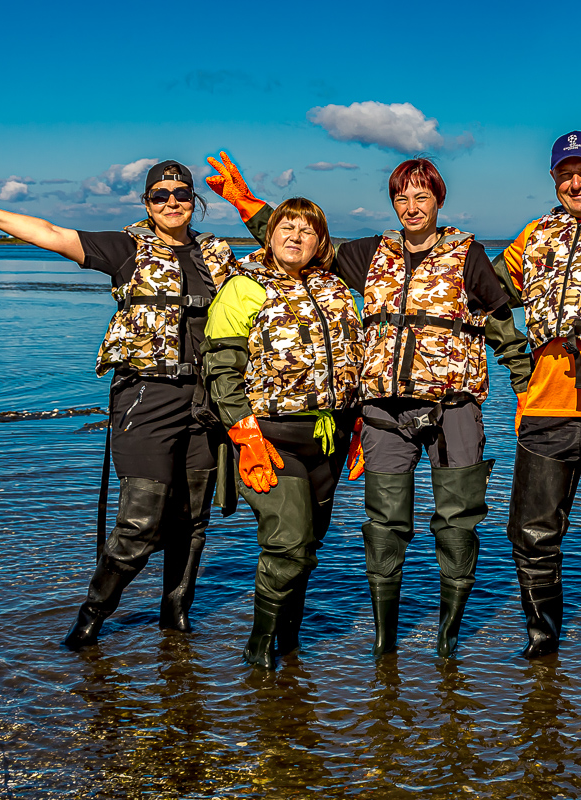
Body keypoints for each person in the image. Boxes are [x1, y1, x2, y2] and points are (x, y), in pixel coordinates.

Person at [207, 155, 533, 658]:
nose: (411, 206)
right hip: (383, 412)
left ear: (438, 200)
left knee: (457, 520)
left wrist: (525, 386)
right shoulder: (368, 254)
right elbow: (299, 243)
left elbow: (502, 325)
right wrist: (247, 203)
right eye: (401, 197)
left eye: (421, 196)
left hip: (454, 408)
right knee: (384, 524)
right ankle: (385, 643)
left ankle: (447, 640)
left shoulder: (468, 256)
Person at [0, 159, 237, 649]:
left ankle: (175, 614)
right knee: (141, 522)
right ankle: (92, 617)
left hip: (205, 400)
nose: (171, 202)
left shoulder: (218, 255)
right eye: (160, 195)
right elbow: (50, 233)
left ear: (194, 201)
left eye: (181, 194)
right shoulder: (126, 247)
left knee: (193, 518)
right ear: (146, 202)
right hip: (146, 395)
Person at [202, 197, 361, 669]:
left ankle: (288, 644)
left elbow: (358, 360)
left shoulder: (335, 288)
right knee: (288, 542)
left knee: (308, 547)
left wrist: (359, 427)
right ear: (269, 235)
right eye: (286, 227)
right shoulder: (243, 286)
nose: (296, 237)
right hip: (270, 437)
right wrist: (244, 433)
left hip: (330, 440)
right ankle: (259, 648)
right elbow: (221, 370)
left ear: (321, 242)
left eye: (307, 231)